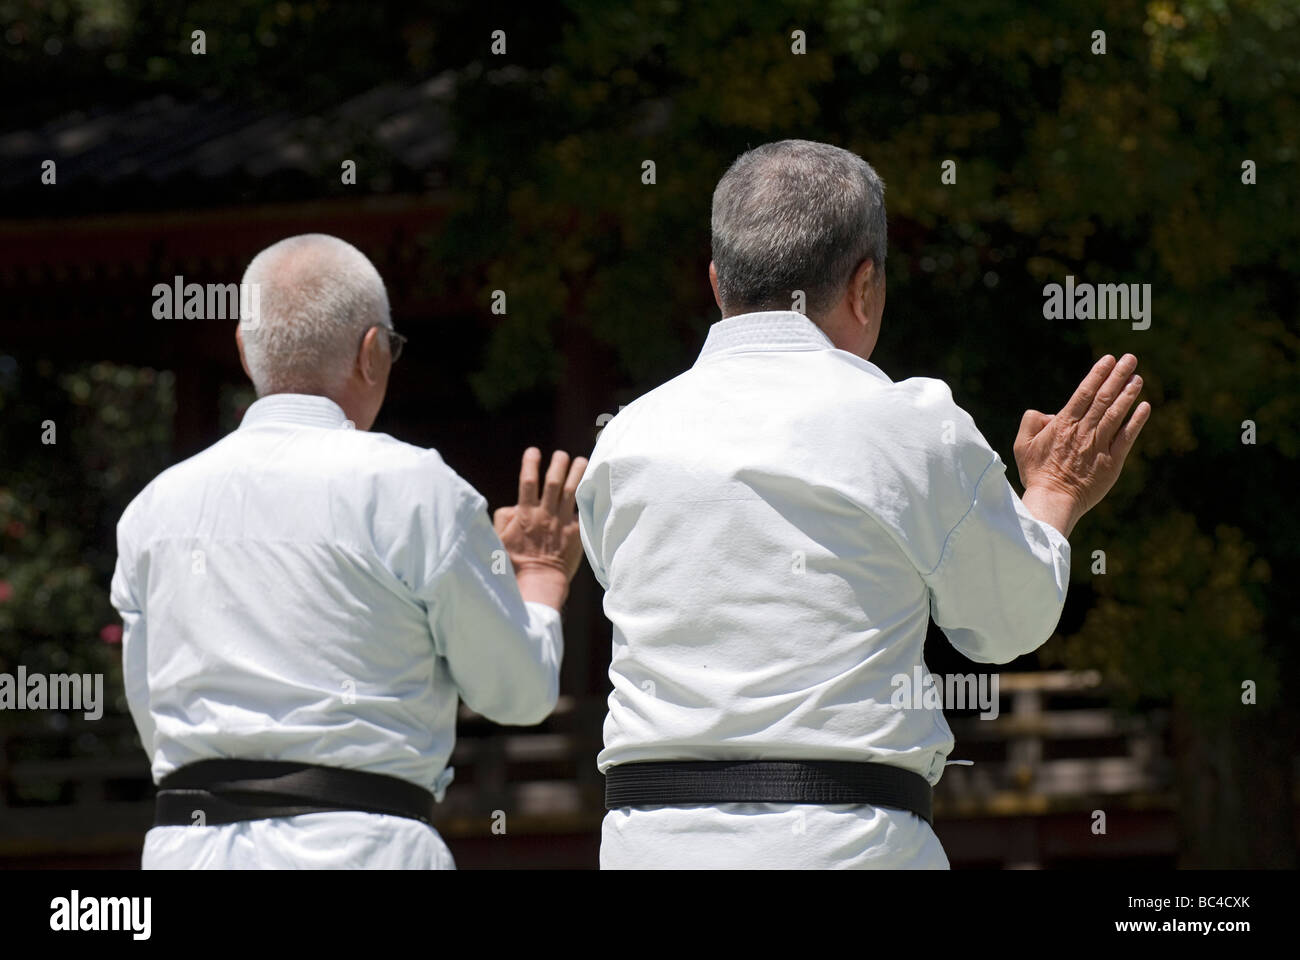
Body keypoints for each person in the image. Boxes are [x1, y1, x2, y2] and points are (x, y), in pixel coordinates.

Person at [576, 140, 1150, 869]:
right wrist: (1055, 493)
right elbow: (1005, 622)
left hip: (647, 843)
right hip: (844, 842)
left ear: (718, 282)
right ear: (865, 286)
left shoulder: (627, 438)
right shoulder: (911, 424)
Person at [110, 233, 586, 869]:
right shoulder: (416, 491)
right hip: (360, 847)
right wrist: (540, 578)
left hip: (188, 851)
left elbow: (155, 718)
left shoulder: (152, 511)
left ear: (246, 353)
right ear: (373, 353)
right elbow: (516, 694)